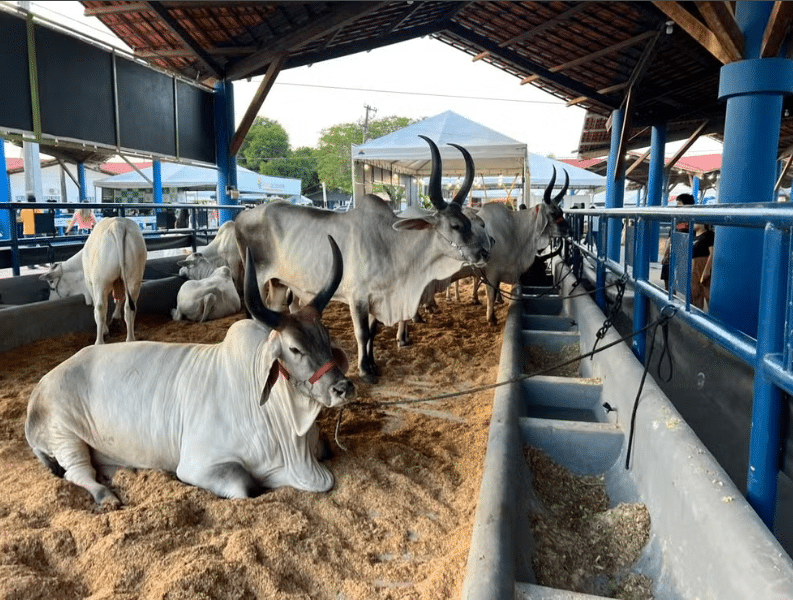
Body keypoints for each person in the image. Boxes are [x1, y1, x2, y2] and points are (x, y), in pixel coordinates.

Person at [660, 192, 695, 290]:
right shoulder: (680, 220)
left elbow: (673, 237)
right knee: (669, 281)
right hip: (674, 254)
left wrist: (666, 255)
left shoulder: (687, 223)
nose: (677, 206)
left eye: (679, 204)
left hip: (679, 256)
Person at [690, 222, 714, 310]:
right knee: (696, 294)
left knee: (708, 295)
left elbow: (712, 253)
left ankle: (711, 317)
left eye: (696, 222)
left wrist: (707, 269)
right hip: (694, 267)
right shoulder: (693, 236)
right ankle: (698, 316)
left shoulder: (709, 234)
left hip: (703, 265)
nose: (693, 224)